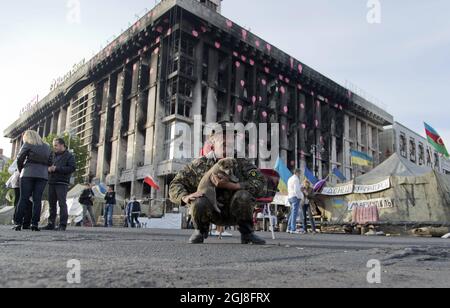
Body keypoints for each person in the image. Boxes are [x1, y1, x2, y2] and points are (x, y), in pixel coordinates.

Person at [169, 125, 267, 245]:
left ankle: (247, 233)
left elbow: (262, 183)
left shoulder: (243, 163)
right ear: (212, 140)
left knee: (243, 195)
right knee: (199, 199)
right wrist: (184, 197)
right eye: (223, 134)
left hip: (235, 212)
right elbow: (175, 184)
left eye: (232, 136)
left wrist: (234, 186)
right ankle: (200, 231)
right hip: (210, 213)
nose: (228, 139)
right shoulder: (199, 164)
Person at [13, 130, 52, 231]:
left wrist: (21, 169)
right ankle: (34, 224)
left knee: (23, 198)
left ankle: (18, 223)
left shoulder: (28, 144)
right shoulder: (47, 146)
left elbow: (20, 158)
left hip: (28, 173)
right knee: (37, 200)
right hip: (42, 175)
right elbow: (50, 161)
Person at [44, 138, 76, 231]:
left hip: (62, 182)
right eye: (54, 145)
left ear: (62, 145)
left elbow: (72, 168)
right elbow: (47, 165)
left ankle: (62, 225)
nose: (54, 147)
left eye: (56, 145)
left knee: (62, 203)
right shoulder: (52, 155)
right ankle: (51, 223)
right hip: (51, 181)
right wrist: (48, 168)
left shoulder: (70, 156)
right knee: (51, 204)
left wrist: (57, 168)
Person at [6, 159, 32, 229]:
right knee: (18, 200)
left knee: (29, 201)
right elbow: (10, 169)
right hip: (17, 181)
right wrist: (17, 170)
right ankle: (16, 221)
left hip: (28, 180)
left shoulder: (34, 156)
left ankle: (26, 222)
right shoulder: (19, 157)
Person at [287, 169, 304, 234]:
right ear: (297, 173)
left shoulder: (290, 178)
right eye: (300, 173)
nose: (300, 175)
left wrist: (300, 186)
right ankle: (293, 229)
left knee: (292, 213)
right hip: (295, 197)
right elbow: (296, 190)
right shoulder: (296, 179)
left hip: (290, 197)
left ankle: (289, 228)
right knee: (294, 214)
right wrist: (300, 197)